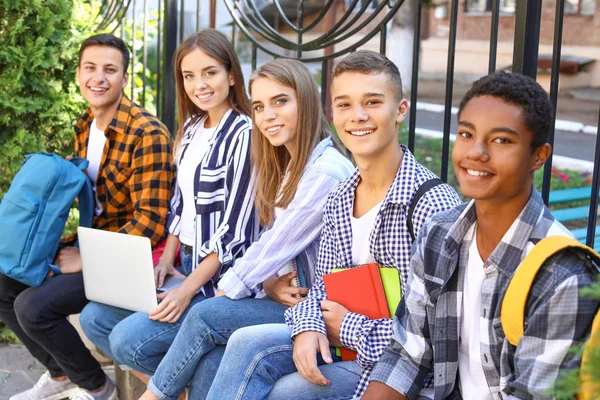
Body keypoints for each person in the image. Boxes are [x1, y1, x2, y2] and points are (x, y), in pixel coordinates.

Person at [204, 50, 462, 400]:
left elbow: (435, 337)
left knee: (287, 392)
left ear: (400, 110)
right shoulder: (342, 197)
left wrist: (347, 328)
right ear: (332, 113)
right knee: (242, 342)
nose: (357, 116)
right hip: (343, 342)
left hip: (404, 370)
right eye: (344, 105)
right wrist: (309, 325)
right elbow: (322, 288)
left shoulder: (431, 204)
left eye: (372, 102)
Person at [363, 72, 599, 399]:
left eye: (502, 140)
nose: (476, 152)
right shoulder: (440, 234)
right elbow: (406, 355)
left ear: (538, 157)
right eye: (466, 133)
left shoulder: (562, 276)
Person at [138, 58, 355, 400]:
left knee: (206, 315)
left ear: (307, 101)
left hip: (317, 310)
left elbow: (276, 247)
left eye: (280, 101)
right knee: (210, 358)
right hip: (286, 295)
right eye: (258, 106)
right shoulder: (289, 165)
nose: (268, 115)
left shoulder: (325, 172)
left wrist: (227, 289)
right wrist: (267, 283)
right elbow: (274, 245)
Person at [1, 33, 174, 400]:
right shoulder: (85, 126)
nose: (99, 78)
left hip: (131, 260)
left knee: (32, 306)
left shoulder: (147, 133)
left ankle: (97, 387)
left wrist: (86, 259)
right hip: (93, 243)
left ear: (125, 78)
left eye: (110, 70)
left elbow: (151, 221)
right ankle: (60, 375)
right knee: (3, 279)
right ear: (78, 74)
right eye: (90, 68)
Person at [78, 29, 258, 379]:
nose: (199, 85)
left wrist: (187, 291)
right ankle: (178, 387)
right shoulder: (192, 128)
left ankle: (171, 387)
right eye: (189, 76)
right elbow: (180, 206)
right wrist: (166, 261)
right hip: (183, 266)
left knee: (129, 341)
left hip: (217, 280)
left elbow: (235, 234)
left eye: (210, 72)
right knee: (94, 318)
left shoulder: (244, 134)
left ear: (231, 75)